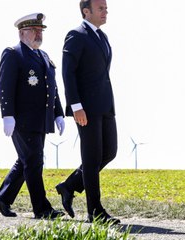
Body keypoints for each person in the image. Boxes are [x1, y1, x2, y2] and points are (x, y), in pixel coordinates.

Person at [0, 13, 66, 219]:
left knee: (27, 160)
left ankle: (3, 198)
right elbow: (5, 86)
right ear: (22, 32)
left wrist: (58, 114)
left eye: (41, 30)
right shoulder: (13, 54)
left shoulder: (43, 57)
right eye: (34, 30)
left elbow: (53, 89)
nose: (38, 34)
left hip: (41, 120)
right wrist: (7, 115)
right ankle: (42, 208)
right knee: (34, 161)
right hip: (22, 120)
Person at [56, 0, 120, 224]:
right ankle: (95, 211)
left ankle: (70, 185)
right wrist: (75, 106)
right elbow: (68, 73)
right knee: (91, 159)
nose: (106, 11)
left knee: (109, 152)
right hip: (86, 109)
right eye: (101, 8)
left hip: (105, 106)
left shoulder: (102, 36)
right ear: (86, 11)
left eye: (106, 8)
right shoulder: (76, 35)